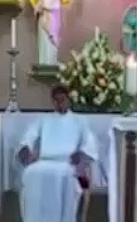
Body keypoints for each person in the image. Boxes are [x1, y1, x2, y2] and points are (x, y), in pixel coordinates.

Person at [17, 86, 99, 222]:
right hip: (44, 161)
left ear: (68, 100)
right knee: (30, 173)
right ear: (52, 101)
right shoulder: (44, 119)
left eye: (62, 100)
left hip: (67, 163)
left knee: (65, 176)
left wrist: (80, 154)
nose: (59, 104)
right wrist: (25, 148)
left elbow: (89, 143)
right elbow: (29, 136)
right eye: (56, 101)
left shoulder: (80, 121)